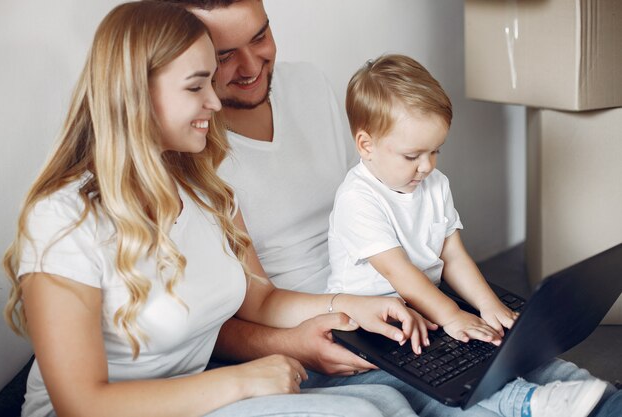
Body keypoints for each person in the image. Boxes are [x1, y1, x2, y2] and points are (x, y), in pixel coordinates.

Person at [158, 1, 621, 417]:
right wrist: (297, 342)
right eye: (223, 55)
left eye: (260, 36)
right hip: (330, 324)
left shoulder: (310, 85)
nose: (250, 65)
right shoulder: (190, 145)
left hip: (395, 296)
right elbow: (219, 314)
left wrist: (467, 304)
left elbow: (378, 193)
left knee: (562, 381)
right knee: (471, 397)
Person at [2, 3, 436, 417]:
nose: (213, 101)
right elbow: (82, 404)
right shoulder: (62, 217)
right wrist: (244, 381)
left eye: (211, 81)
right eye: (196, 86)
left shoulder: (203, 186)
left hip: (193, 399)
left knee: (384, 400)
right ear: (134, 95)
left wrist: (349, 305)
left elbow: (263, 299)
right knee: (369, 411)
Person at [326, 53, 608, 417]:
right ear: (366, 145)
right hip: (375, 325)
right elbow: (401, 275)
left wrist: (487, 303)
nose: (426, 166)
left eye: (435, 151)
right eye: (413, 156)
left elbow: (453, 254)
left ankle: (586, 393)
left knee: (495, 341)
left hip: (426, 302)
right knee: (449, 373)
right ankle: (519, 401)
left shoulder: (433, 184)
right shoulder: (357, 200)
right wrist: (449, 315)